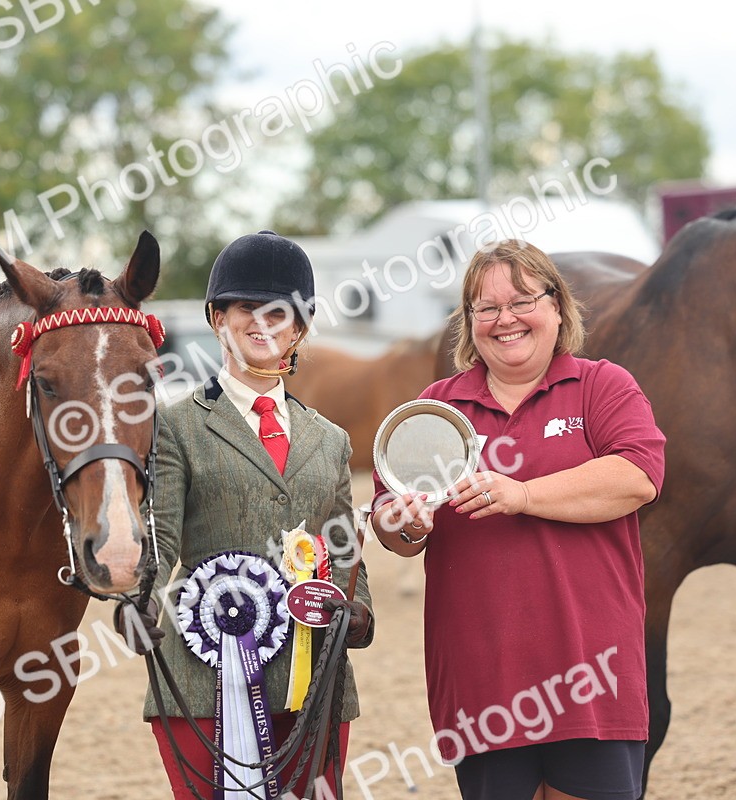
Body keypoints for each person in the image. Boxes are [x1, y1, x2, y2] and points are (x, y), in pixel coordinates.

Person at [371, 239, 665, 800]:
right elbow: (393, 526)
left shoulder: (602, 386)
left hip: (592, 677)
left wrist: (522, 494)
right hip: (484, 688)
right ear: (470, 323)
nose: (504, 319)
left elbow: (637, 477)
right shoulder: (437, 407)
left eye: (523, 300)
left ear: (557, 307)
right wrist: (406, 523)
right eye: (486, 308)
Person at [119, 230, 375, 798]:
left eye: (279, 312)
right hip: (204, 677)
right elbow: (158, 536)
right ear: (217, 319)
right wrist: (140, 601)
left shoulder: (330, 439)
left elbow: (342, 546)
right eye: (244, 308)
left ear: (300, 328)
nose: (261, 322)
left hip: (315, 681)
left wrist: (358, 610)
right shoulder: (176, 426)